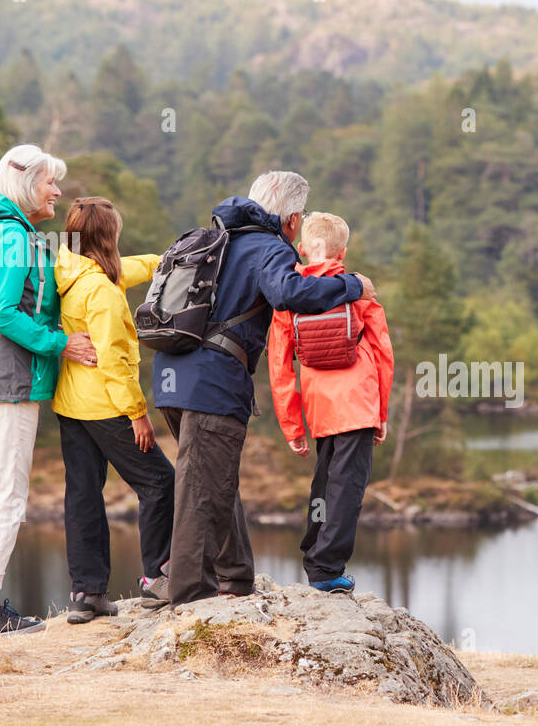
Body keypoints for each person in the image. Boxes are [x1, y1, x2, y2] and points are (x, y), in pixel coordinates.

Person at [148, 171, 378, 609]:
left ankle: (234, 576)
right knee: (201, 488)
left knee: (213, 478)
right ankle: (189, 596)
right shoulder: (267, 247)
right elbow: (290, 293)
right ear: (292, 217)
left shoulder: (216, 239)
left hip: (172, 376)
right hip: (212, 384)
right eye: (302, 214)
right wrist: (353, 285)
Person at [0, 144, 99, 638]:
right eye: (49, 183)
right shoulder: (13, 236)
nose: (58, 191)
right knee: (7, 498)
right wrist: (61, 343)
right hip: (6, 381)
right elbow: (2, 311)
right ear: (24, 185)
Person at [51, 197, 174, 624]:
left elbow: (133, 268)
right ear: (108, 238)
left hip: (70, 405)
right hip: (107, 406)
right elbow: (114, 358)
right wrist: (138, 413)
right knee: (159, 482)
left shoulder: (71, 271)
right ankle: (158, 577)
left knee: (83, 494)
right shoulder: (102, 291)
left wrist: (167, 260)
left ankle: (86, 593)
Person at [267, 212, 393, 593]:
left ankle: (315, 558)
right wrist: (381, 414)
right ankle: (326, 570)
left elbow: (279, 366)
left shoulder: (289, 297)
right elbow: (383, 356)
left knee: (324, 485)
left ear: (303, 250)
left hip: (320, 408)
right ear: (344, 252)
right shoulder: (360, 294)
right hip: (358, 402)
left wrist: (292, 425)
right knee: (347, 487)